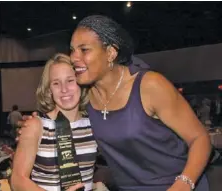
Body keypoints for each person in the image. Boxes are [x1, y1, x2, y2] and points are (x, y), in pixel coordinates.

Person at [20, 15, 211, 191]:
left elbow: (200, 138)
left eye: (84, 50)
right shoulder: (86, 95)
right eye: (72, 49)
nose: (74, 57)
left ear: (110, 53)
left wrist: (184, 183)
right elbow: (60, 111)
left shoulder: (149, 85)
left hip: (177, 184)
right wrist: (34, 123)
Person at [11, 53, 97, 191]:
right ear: (49, 90)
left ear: (80, 82)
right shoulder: (36, 125)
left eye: (70, 80)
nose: (64, 89)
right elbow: (17, 180)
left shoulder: (93, 123)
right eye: (56, 83)